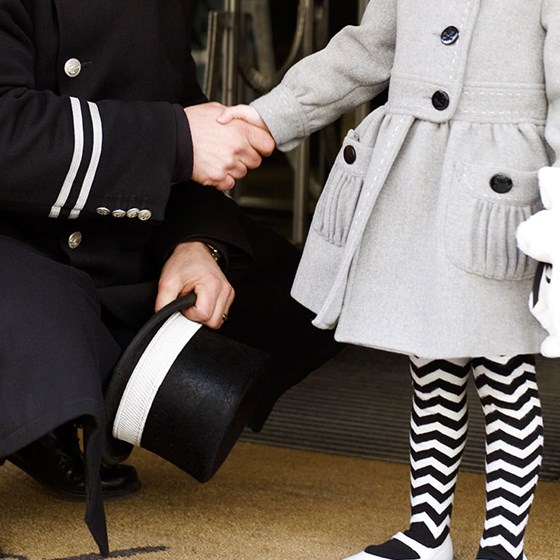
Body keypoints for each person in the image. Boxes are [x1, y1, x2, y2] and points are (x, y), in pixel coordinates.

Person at [0, 0, 342, 555]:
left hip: (108, 214)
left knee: (296, 291)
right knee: (44, 317)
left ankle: (75, 400)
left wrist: (197, 243)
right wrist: (175, 142)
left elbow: (176, 98)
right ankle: (49, 409)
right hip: (13, 237)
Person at [219, 1, 557, 559]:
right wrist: (269, 116)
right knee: (430, 368)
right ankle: (427, 533)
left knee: (504, 375)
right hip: (416, 175)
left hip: (499, 186)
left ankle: (503, 546)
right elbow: (366, 49)